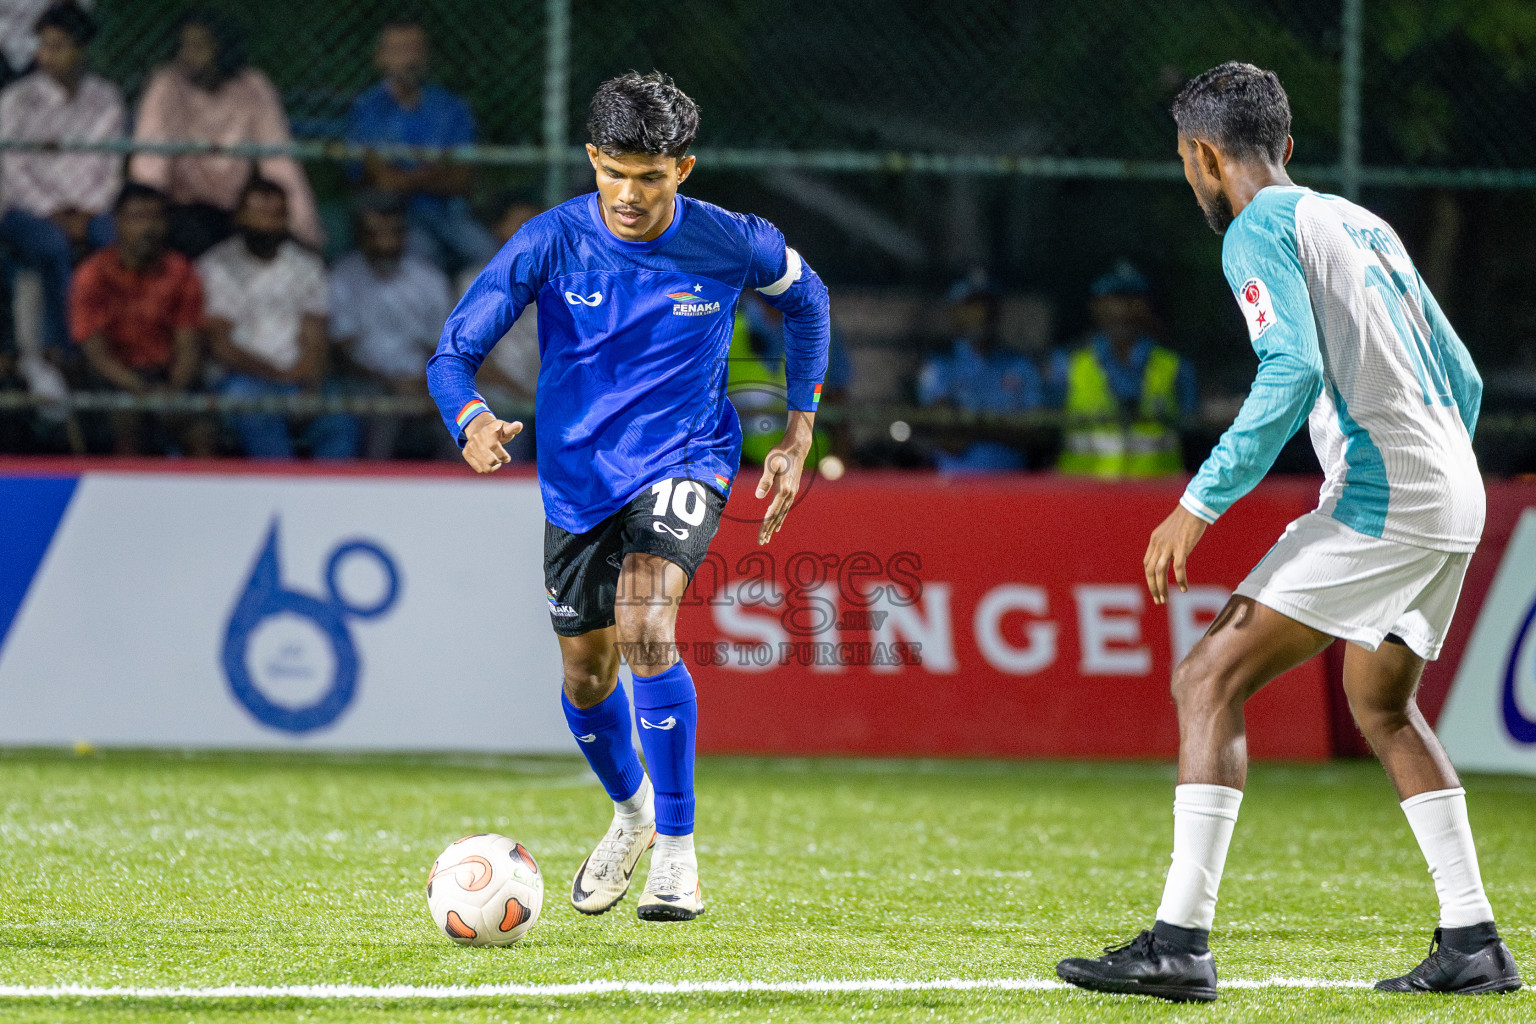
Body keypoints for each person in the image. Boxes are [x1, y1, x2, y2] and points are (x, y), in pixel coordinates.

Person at [1056, 62, 1520, 1001]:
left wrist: (1200, 500)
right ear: (1290, 147)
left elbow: (1292, 370)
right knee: (1383, 707)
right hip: (1452, 490)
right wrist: (1435, 479)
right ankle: (1473, 941)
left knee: (1207, 676)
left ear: (1200, 156)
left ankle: (1180, 942)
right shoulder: (1362, 221)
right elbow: (1462, 376)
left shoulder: (1256, 230)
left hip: (1387, 495)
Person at [427, 71, 829, 922]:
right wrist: (468, 419)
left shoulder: (733, 240)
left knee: (648, 624)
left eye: (650, 176)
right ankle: (633, 814)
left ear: (683, 169)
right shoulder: (549, 241)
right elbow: (452, 353)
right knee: (584, 674)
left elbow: (809, 300)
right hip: (576, 483)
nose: (630, 195)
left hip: (687, 456)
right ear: (592, 160)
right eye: (615, 172)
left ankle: (678, 855)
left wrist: (798, 431)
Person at [130, 9, 322, 256]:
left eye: (200, 45)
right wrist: (146, 218)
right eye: (185, 46)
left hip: (239, 205)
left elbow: (279, 161)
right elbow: (150, 160)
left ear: (223, 48)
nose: (190, 55)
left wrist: (302, 227)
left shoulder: (253, 87)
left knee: (277, 237)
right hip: (184, 205)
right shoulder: (167, 86)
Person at [200, 179, 355, 459]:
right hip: (243, 378)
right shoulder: (215, 265)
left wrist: (310, 383)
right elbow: (221, 345)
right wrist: (277, 377)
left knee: (340, 415)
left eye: (276, 214)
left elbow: (315, 336)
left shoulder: (306, 266)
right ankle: (282, 491)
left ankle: (331, 498)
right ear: (239, 216)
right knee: (252, 405)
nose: (268, 222)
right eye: (259, 212)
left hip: (298, 377)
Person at [0, 1, 122, 354]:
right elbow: (10, 169)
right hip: (26, 209)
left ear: (81, 49)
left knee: (113, 239)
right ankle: (68, 347)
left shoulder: (106, 98)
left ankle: (113, 341)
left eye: (57, 47)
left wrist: (87, 211)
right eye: (42, 46)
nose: (45, 57)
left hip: (88, 209)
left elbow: (109, 166)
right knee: (51, 246)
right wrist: (50, 210)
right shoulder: (15, 100)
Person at [69, 183, 209, 456]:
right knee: (126, 424)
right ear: (117, 223)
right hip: (112, 376)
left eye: (156, 217)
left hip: (167, 374)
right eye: (138, 218)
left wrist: (172, 391)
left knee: (201, 433)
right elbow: (96, 353)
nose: (149, 228)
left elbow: (188, 344)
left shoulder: (182, 271)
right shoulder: (92, 275)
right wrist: (142, 390)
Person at [347, 16, 495, 273]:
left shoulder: (451, 108)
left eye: (416, 50)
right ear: (380, 57)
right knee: (422, 262)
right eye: (399, 50)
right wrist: (435, 172)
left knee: (495, 261)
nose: (410, 59)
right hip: (397, 218)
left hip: (450, 214)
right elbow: (379, 179)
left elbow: (461, 179)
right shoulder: (366, 110)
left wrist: (403, 177)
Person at [330, 192, 453, 459]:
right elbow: (341, 355)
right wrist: (391, 383)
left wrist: (424, 383)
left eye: (393, 232)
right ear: (360, 236)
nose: (385, 241)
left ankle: (454, 495)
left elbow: (444, 349)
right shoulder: (343, 277)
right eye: (375, 233)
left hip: (424, 382)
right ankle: (372, 492)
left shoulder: (429, 278)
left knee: (463, 415)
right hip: (366, 382)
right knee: (385, 411)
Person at [1048, 260, 1197, 478]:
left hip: (1157, 499)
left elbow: (1194, 439)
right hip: (1084, 500)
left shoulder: (1175, 368)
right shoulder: (1066, 366)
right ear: (1095, 306)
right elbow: (1045, 439)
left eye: (1132, 300)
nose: (1122, 310)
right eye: (1113, 299)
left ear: (1147, 306)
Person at [915, 275, 1041, 472]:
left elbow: (1033, 432)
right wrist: (1004, 426)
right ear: (955, 311)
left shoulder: (1020, 365)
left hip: (1013, 488)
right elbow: (950, 441)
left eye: (987, 304)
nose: (981, 313)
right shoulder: (940, 366)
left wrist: (969, 423)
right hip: (957, 488)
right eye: (971, 305)